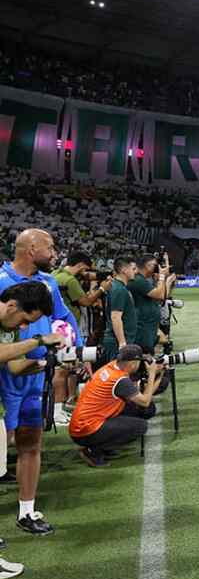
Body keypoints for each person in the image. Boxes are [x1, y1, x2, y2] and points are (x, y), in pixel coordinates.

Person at [0, 229, 81, 536]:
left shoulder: (47, 282)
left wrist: (76, 349)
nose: (55, 252)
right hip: (7, 378)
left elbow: (64, 316)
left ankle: (26, 511)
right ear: (32, 248)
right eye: (50, 247)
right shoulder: (2, 283)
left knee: (32, 444)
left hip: (35, 375)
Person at [0, 280, 67, 579]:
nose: (25, 325)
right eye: (26, 320)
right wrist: (39, 340)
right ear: (13, 306)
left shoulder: (9, 325)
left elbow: (12, 366)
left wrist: (42, 362)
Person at [68, 344, 164, 468]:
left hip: (84, 422)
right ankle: (93, 450)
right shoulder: (119, 380)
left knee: (147, 410)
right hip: (85, 431)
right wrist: (152, 375)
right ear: (132, 364)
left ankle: (104, 445)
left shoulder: (113, 366)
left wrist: (157, 375)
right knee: (141, 426)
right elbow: (144, 400)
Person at [50, 253, 105, 426]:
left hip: (53, 327)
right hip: (67, 328)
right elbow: (86, 301)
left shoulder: (53, 275)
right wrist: (102, 289)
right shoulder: (70, 281)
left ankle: (61, 405)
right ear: (81, 265)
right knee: (63, 369)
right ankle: (57, 411)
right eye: (86, 270)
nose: (87, 274)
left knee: (64, 368)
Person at [130, 254, 177, 353]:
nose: (157, 268)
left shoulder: (143, 280)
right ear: (147, 265)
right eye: (155, 265)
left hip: (147, 326)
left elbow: (160, 299)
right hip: (142, 327)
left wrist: (167, 283)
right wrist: (162, 277)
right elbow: (160, 295)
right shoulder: (138, 280)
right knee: (145, 356)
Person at [103, 257, 138, 366]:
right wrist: (122, 343)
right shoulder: (119, 289)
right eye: (133, 268)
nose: (135, 272)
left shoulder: (118, 287)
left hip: (119, 339)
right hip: (117, 341)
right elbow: (116, 317)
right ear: (124, 270)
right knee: (118, 375)